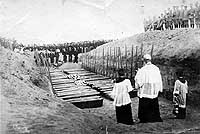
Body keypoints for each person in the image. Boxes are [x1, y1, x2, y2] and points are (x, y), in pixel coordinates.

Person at [135, 54, 163, 123]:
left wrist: (137, 74)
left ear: (144, 61)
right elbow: (159, 80)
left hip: (145, 91)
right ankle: (154, 118)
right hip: (153, 90)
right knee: (153, 103)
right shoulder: (156, 68)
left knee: (144, 104)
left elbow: (139, 82)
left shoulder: (142, 70)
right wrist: (159, 89)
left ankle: (144, 119)